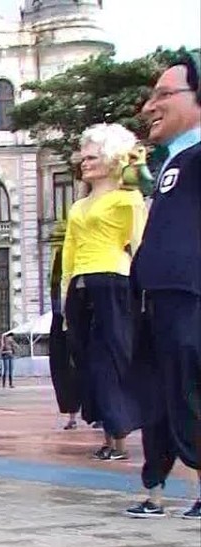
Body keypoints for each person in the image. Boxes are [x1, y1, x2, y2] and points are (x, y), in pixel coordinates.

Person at [124, 54, 201, 520]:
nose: (151, 106)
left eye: (164, 95)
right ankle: (157, 486)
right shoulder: (173, 163)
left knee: (191, 389)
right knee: (162, 394)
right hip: (158, 299)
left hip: (188, 295)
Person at [61, 123, 148, 462]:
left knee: (110, 359)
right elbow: (70, 249)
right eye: (83, 158)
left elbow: (139, 243)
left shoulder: (127, 198)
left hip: (114, 280)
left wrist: (144, 291)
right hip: (82, 285)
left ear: (112, 159)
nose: (85, 163)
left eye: (92, 157)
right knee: (87, 360)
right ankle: (109, 431)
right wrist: (67, 289)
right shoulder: (78, 206)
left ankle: (120, 436)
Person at [47, 220, 82, 429]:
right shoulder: (60, 256)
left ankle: (97, 413)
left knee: (82, 364)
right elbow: (54, 284)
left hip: (76, 311)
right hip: (60, 314)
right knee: (63, 367)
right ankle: (72, 414)